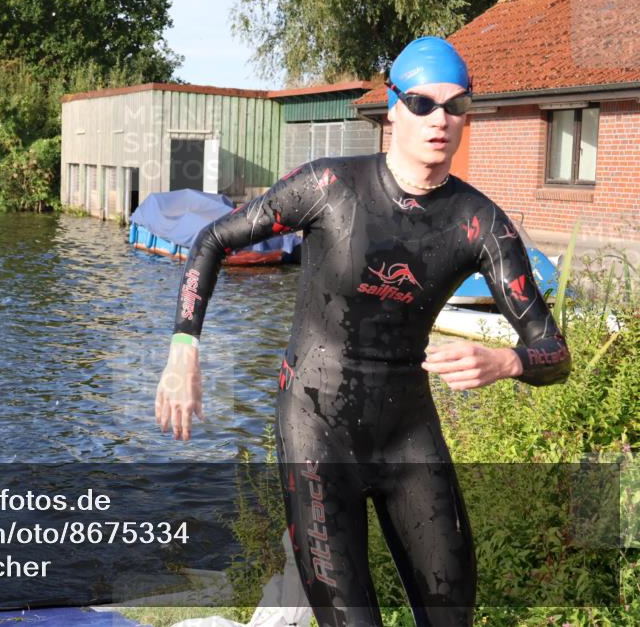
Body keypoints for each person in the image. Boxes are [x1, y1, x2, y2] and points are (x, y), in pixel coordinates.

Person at [154, 37, 571, 626]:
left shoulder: (480, 223)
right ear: (393, 107)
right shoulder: (328, 187)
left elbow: (554, 351)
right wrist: (182, 352)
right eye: (423, 104)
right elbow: (212, 242)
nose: (440, 120)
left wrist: (507, 362)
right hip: (316, 426)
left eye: (456, 106)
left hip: (408, 433)